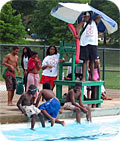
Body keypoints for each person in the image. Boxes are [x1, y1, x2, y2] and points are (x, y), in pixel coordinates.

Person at [76, 11, 101, 81]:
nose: (86, 17)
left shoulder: (94, 22)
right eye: (85, 16)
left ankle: (92, 76)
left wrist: (94, 13)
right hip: (84, 43)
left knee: (92, 61)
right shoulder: (83, 23)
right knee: (85, 61)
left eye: (87, 16)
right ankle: (84, 77)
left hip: (93, 43)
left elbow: (99, 17)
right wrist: (77, 34)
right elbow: (78, 28)